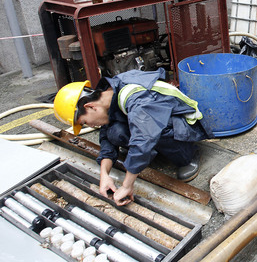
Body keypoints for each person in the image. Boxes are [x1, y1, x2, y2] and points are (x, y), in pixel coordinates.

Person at [53, 68, 212, 206]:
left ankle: (189, 155)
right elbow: (106, 139)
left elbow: (144, 138)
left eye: (85, 122)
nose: (90, 126)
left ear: (90, 106)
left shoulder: (136, 98)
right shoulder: (110, 94)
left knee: (151, 132)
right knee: (114, 131)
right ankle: (145, 158)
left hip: (184, 124)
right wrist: (104, 175)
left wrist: (127, 185)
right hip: (154, 120)